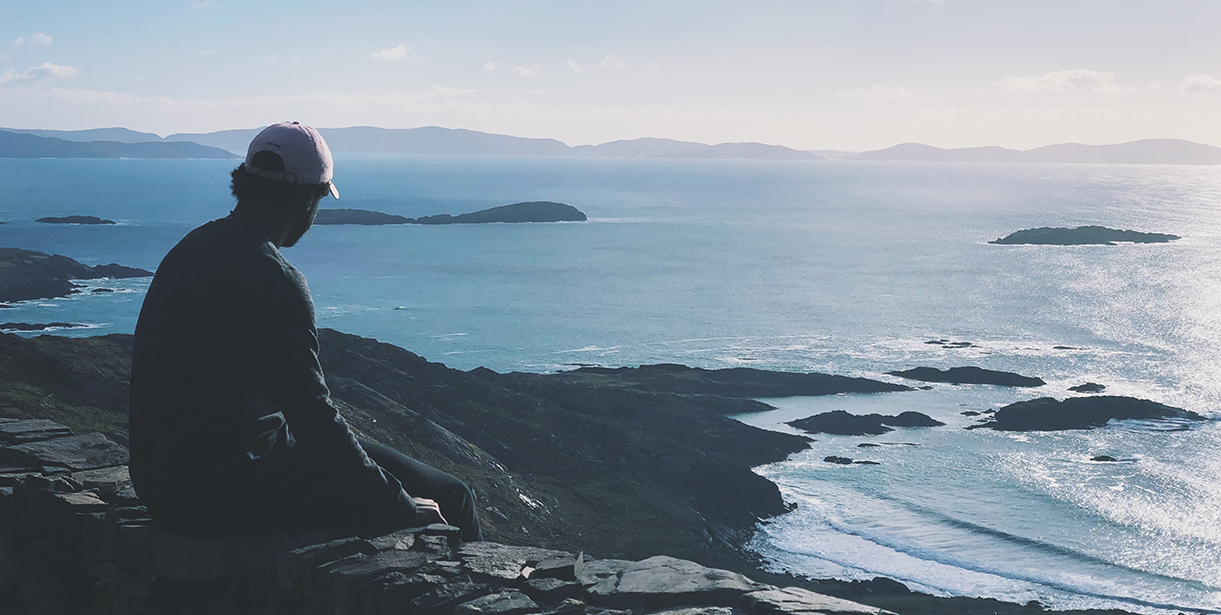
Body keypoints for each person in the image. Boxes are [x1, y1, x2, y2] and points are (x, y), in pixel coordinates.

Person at [128, 121, 481, 541]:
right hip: (230, 493)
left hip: (164, 487)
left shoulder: (192, 248)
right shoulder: (275, 279)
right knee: (453, 497)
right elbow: (313, 417)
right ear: (307, 201)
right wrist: (398, 505)